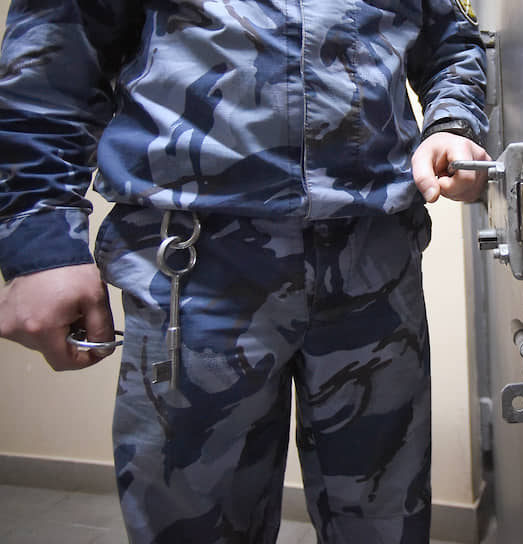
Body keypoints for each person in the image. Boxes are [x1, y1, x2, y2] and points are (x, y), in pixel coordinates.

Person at [0, 0, 488, 542]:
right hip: (195, 268)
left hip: (375, 266)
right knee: (194, 528)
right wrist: (41, 239)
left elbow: (451, 44)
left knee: (386, 526)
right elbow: (52, 64)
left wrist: (452, 123)